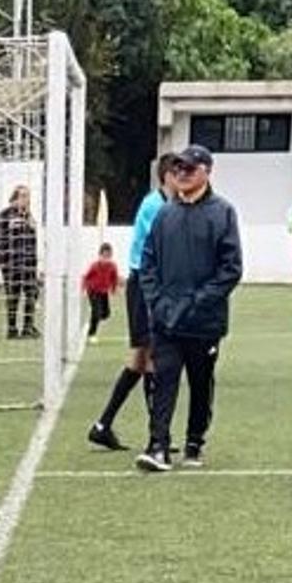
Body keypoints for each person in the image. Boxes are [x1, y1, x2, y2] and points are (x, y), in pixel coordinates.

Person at [135, 145, 242, 472]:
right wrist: (158, 301)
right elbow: (148, 262)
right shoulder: (165, 213)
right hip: (166, 320)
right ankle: (158, 445)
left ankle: (195, 439)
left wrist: (197, 303)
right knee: (163, 380)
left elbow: (231, 268)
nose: (182, 173)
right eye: (178, 168)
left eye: (189, 168)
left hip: (204, 321)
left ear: (206, 171)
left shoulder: (223, 212)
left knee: (200, 382)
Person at [87, 153, 175, 451]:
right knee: (149, 356)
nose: (184, 179)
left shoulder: (163, 205)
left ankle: (105, 424)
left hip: (148, 285)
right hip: (143, 285)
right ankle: (157, 435)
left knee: (140, 359)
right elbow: (158, 248)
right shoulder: (155, 206)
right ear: (167, 177)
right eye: (179, 173)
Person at [0, 185, 39, 338]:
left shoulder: (29, 216)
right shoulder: (5, 215)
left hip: (28, 264)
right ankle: (12, 329)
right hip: (12, 264)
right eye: (23, 196)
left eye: (28, 196)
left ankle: (28, 327)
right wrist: (2, 260)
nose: (26, 199)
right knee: (13, 296)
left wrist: (35, 262)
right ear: (15, 198)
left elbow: (32, 242)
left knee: (32, 293)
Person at [82, 243, 120, 343]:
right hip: (93, 291)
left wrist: (114, 289)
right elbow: (86, 277)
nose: (106, 258)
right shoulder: (94, 266)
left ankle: (96, 316)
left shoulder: (112, 266)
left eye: (108, 256)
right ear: (100, 255)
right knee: (96, 313)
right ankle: (92, 334)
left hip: (103, 292)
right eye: (104, 256)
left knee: (106, 314)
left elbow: (114, 278)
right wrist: (83, 289)